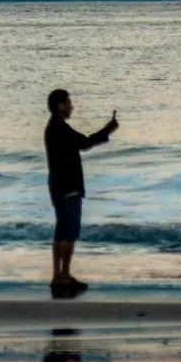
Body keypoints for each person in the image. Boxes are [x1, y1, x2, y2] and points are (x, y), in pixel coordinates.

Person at [44, 89, 118, 298]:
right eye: (68, 103)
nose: (71, 107)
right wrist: (108, 130)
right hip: (69, 187)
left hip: (57, 186)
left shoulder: (52, 128)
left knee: (60, 232)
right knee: (69, 232)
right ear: (59, 105)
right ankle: (64, 276)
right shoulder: (60, 129)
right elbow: (85, 143)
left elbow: (81, 144)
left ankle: (58, 275)